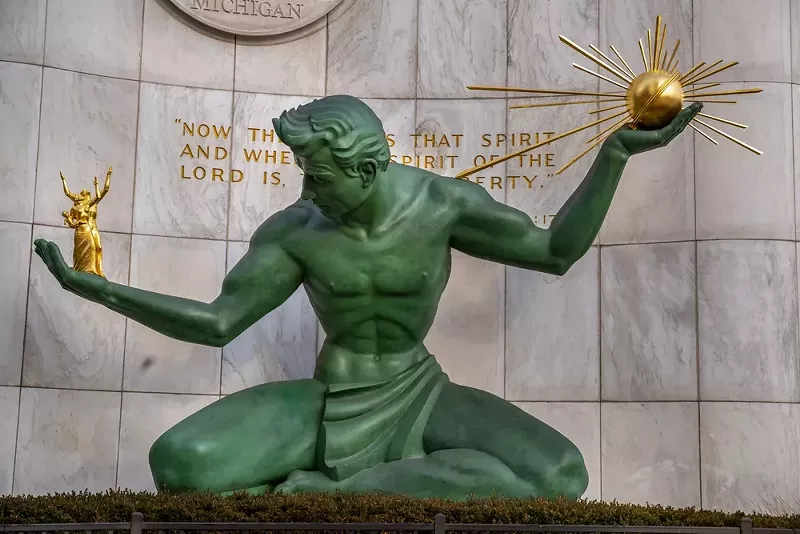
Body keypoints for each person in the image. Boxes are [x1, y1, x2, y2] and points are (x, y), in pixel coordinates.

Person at [34, 95, 701, 500]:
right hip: (329, 399)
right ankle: (374, 482)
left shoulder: (442, 206)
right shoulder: (297, 232)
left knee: (559, 474)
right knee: (179, 461)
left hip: (420, 393)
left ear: (370, 168)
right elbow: (216, 323)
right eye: (305, 175)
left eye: (319, 177)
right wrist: (99, 289)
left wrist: (613, 156)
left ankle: (341, 491)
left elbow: (555, 252)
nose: (307, 190)